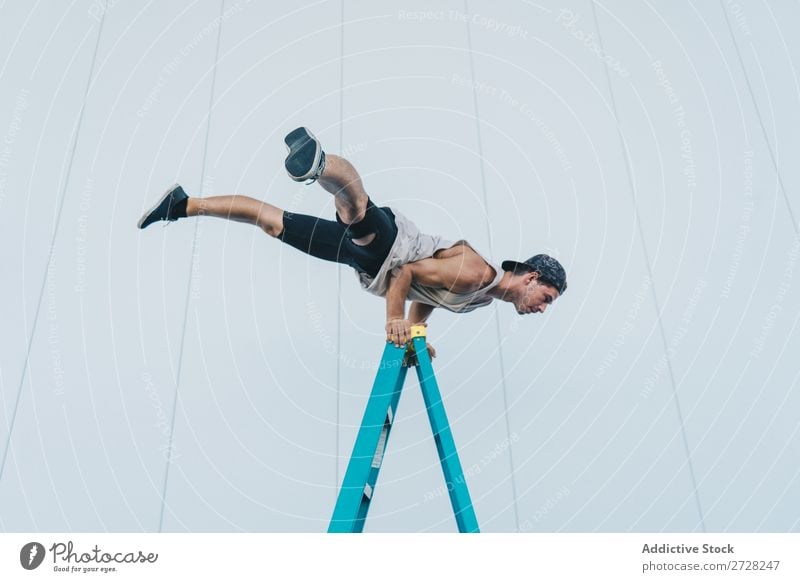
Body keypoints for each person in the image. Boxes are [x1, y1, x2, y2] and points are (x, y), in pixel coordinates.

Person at [138, 127, 567, 355]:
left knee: (274, 224)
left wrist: (416, 333)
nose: (542, 308)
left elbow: (429, 294)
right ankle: (319, 161)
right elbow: (407, 273)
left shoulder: (482, 297)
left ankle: (182, 204)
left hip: (365, 264)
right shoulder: (476, 275)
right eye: (546, 296)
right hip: (391, 249)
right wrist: (393, 322)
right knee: (355, 208)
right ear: (530, 276)